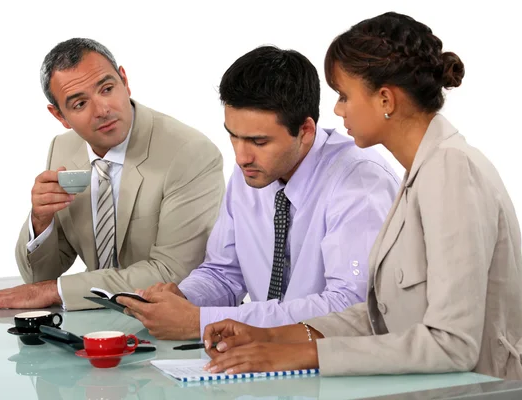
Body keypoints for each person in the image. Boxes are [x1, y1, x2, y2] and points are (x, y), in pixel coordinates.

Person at [200, 12, 522, 382]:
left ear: (385, 100)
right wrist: (272, 336)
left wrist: (304, 354)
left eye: (344, 95)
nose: (337, 109)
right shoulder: (422, 170)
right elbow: (382, 314)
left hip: (487, 388)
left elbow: (451, 343)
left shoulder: (450, 171)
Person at [117, 46, 400, 339]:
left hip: (337, 367)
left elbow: (349, 308)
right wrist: (184, 299)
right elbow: (223, 273)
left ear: (305, 131)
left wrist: (200, 321)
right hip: (266, 360)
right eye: (233, 136)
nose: (241, 157)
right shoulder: (252, 173)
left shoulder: (360, 182)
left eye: (258, 141)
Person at [0, 38, 225, 311]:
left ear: (124, 81)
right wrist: (40, 221)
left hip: (174, 325)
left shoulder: (188, 153)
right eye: (80, 104)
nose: (102, 110)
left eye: (107, 89)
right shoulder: (63, 149)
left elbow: (174, 274)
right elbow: (37, 280)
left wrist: (57, 290)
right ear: (60, 116)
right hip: (94, 326)